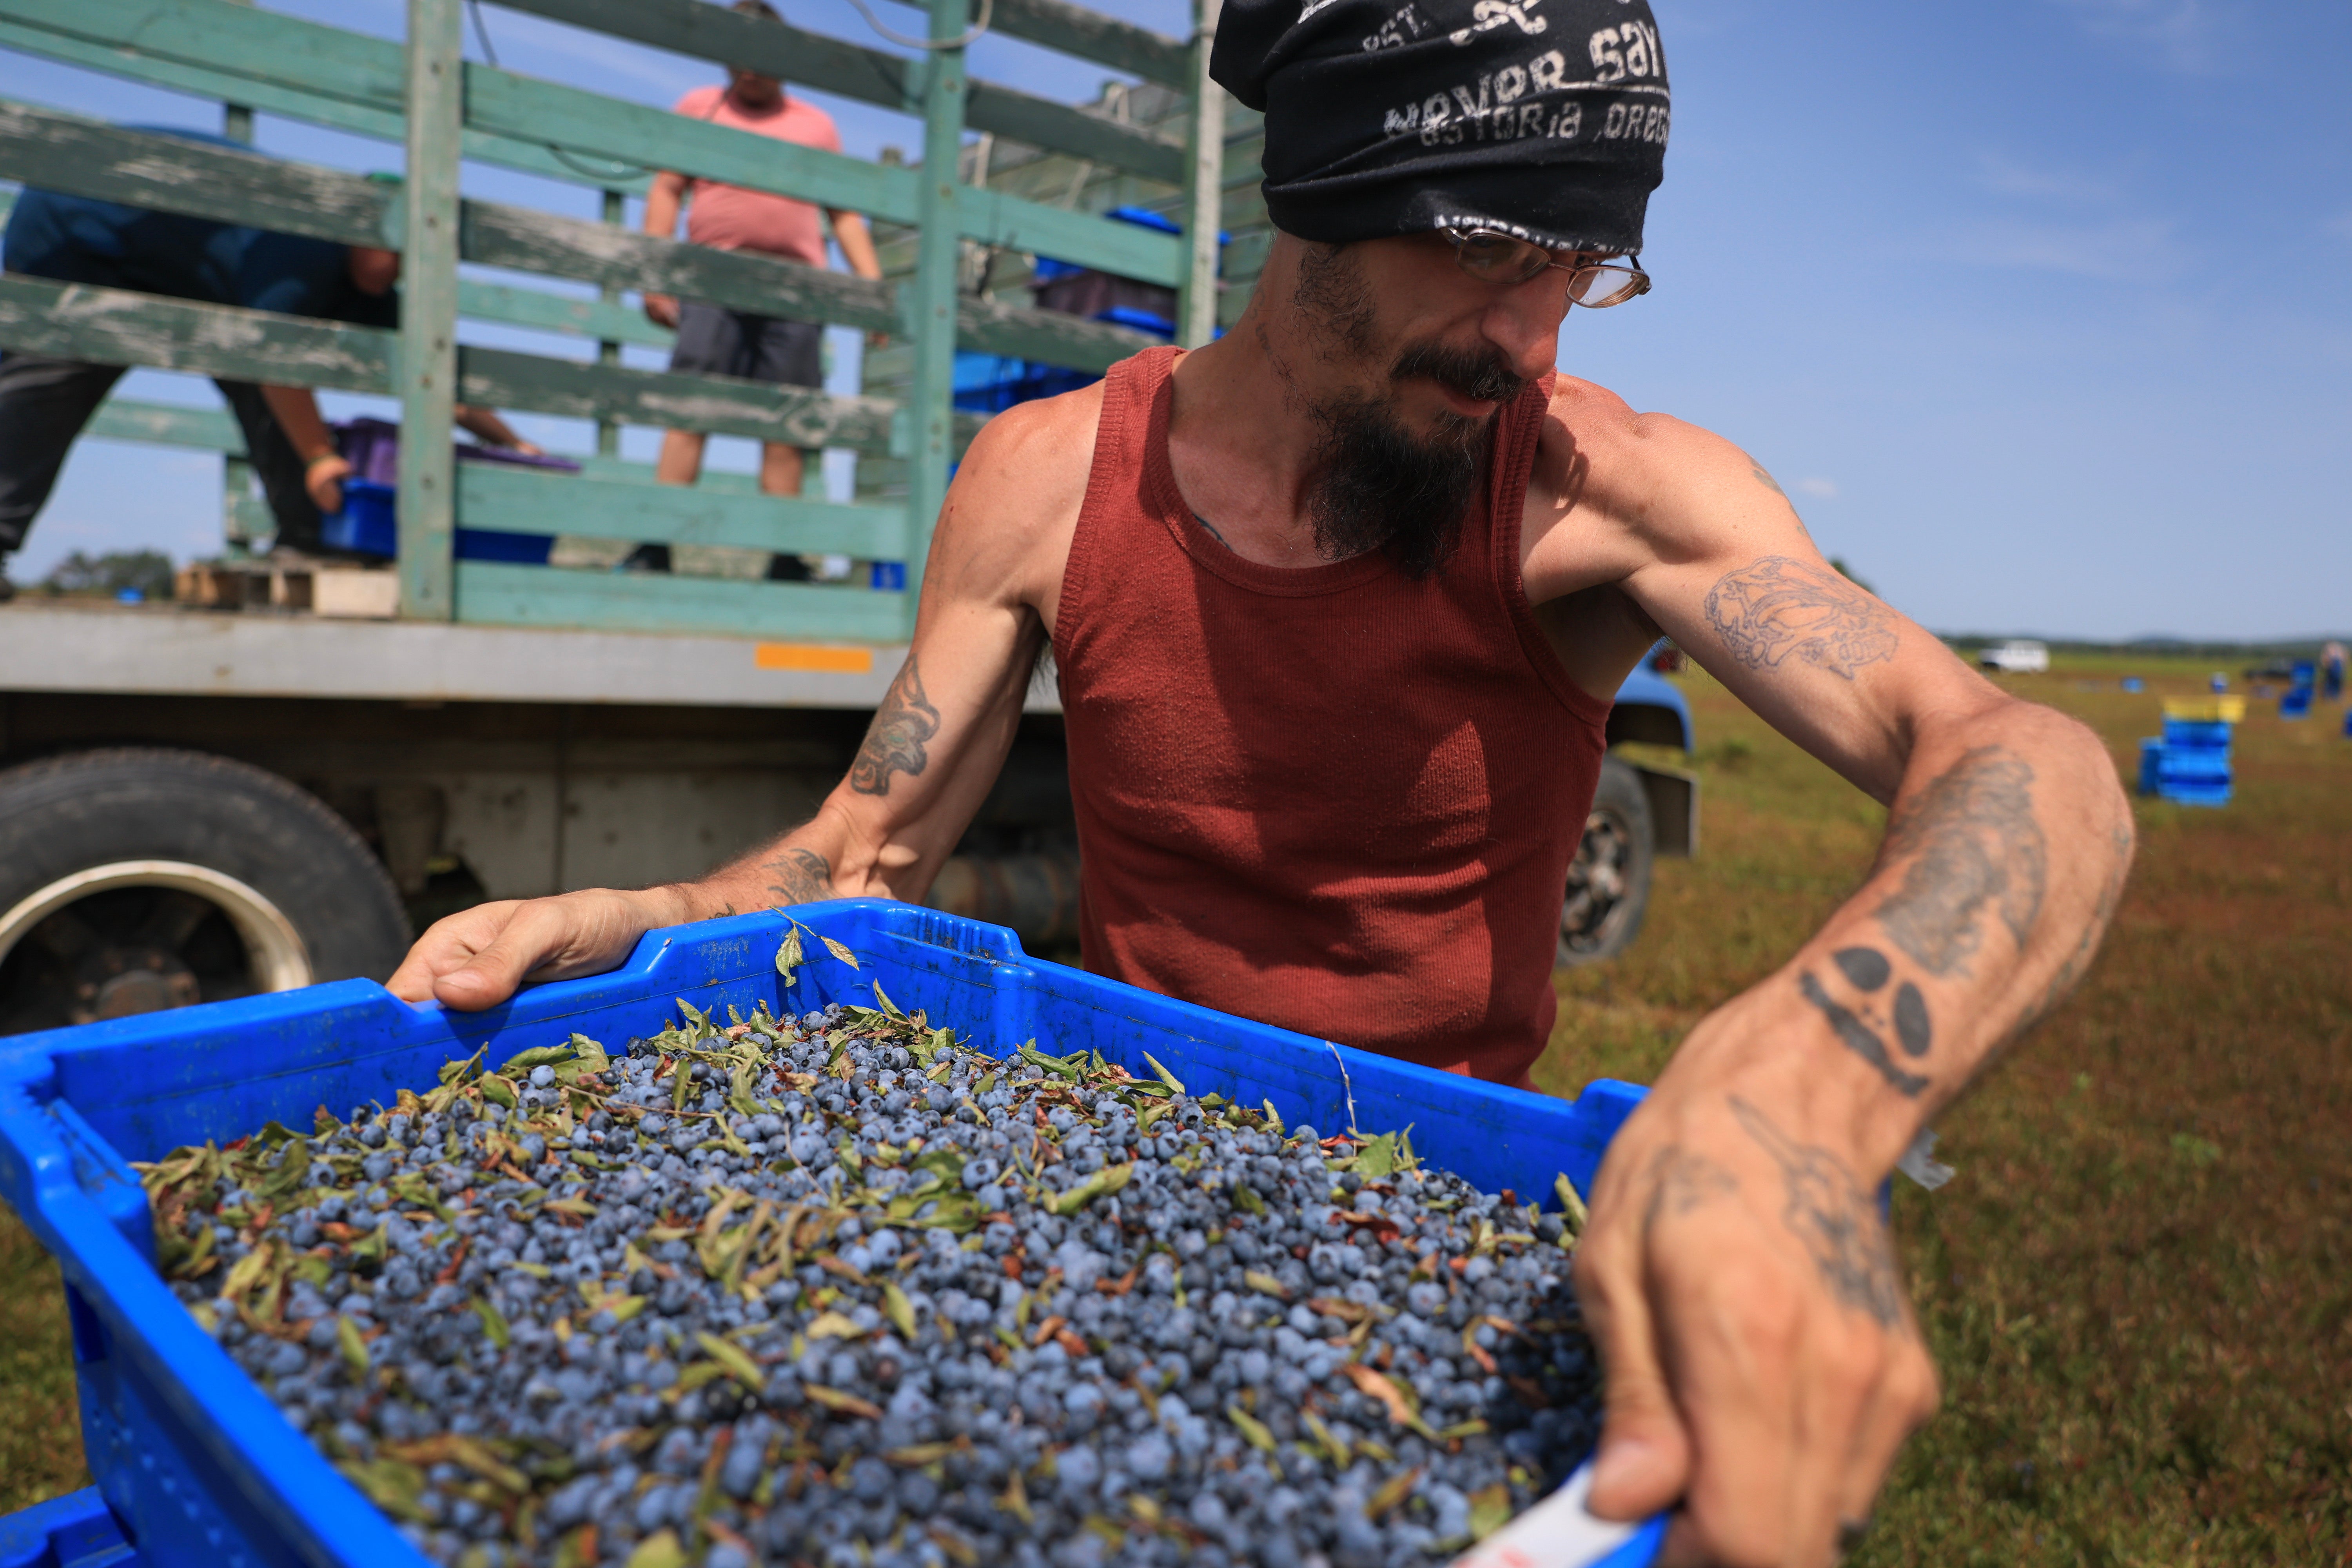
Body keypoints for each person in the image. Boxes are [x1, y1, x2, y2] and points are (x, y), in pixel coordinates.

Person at [391, 0, 2136, 1559]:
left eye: (1583, 267)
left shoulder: (1603, 491)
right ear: (1324, 189)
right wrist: (656, 918)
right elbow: (868, 843)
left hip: (1444, 1236)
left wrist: (1794, 1113)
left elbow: (2021, 760)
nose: (1532, 336)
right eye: (1490, 249)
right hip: (1101, 1183)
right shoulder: (1047, 478)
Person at [0, 134, 538, 597]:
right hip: (77, 228)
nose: (404, 265)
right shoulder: (306, 246)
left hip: (189, 278)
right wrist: (321, 457)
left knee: (259, 384)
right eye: (397, 247)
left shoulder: (367, 286)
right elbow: (275, 360)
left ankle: (303, 540)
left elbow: (432, 374)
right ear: (356, 227)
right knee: (54, 376)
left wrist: (509, 442)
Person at [633, 0, 885, 579]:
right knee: (691, 407)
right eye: (741, 54)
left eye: (764, 55)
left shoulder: (815, 126)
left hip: (797, 289)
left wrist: (872, 289)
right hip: (714, 277)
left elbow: (844, 213)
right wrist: (656, 268)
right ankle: (655, 544)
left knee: (788, 421)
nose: (752, 69)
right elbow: (666, 190)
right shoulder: (700, 108)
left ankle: (784, 554)